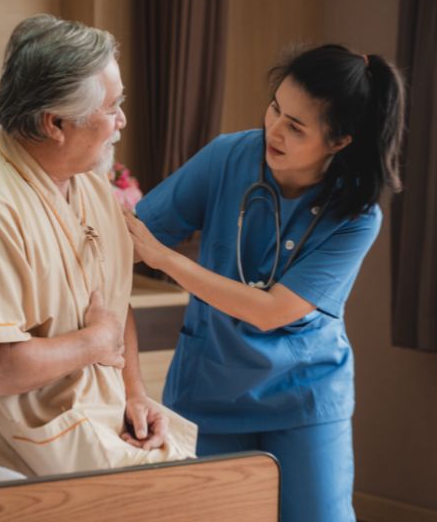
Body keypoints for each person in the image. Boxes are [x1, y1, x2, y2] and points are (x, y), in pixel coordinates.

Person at [123, 44, 405, 521]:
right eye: (276, 107)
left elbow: (271, 310)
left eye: (296, 127)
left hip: (305, 394)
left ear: (338, 142)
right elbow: (132, 236)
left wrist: (165, 260)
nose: (274, 128)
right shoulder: (227, 158)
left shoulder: (357, 216)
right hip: (209, 386)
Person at [0, 14, 196, 478]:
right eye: (112, 108)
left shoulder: (92, 186)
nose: (122, 121)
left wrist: (134, 396)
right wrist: (92, 343)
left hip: (102, 425)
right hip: (24, 456)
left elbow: (113, 302)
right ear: (55, 123)